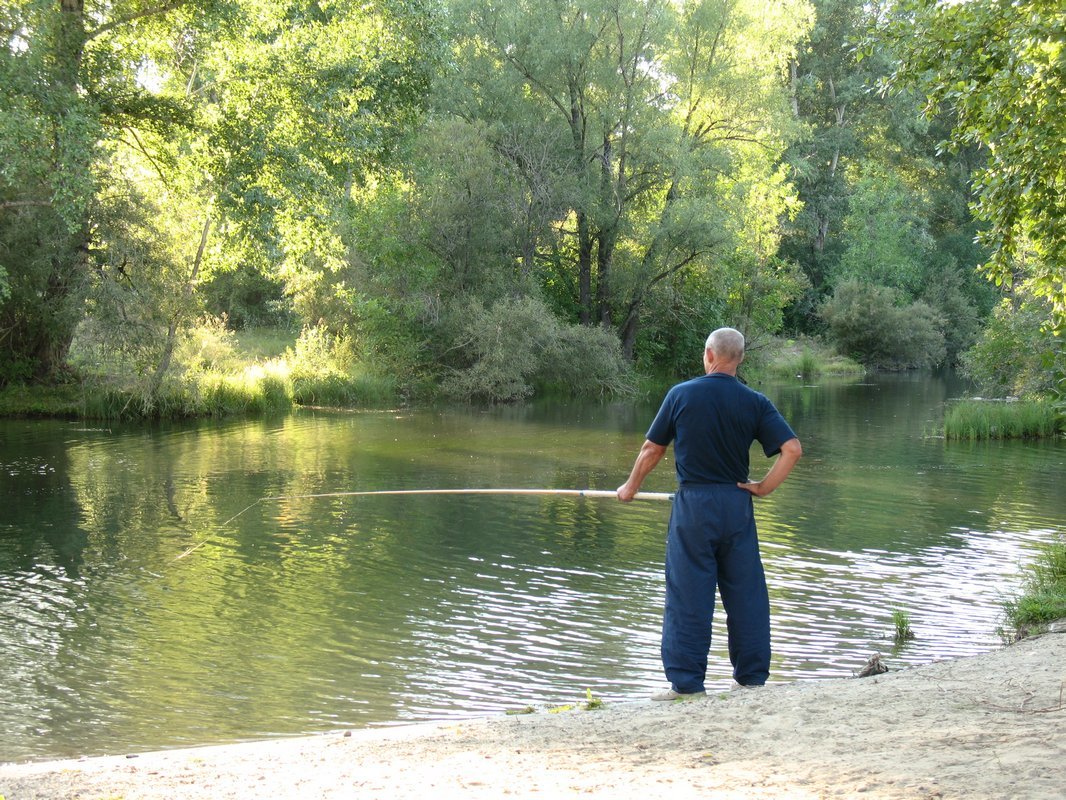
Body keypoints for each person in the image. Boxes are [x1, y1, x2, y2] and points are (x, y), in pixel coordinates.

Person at [617, 327, 801, 700]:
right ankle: (750, 679)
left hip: (694, 507)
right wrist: (763, 488)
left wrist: (631, 488)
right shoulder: (755, 402)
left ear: (708, 354)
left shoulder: (681, 395)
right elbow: (792, 449)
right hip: (736, 504)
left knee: (688, 593)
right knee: (746, 592)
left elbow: (652, 449)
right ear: (740, 359)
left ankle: (687, 684)